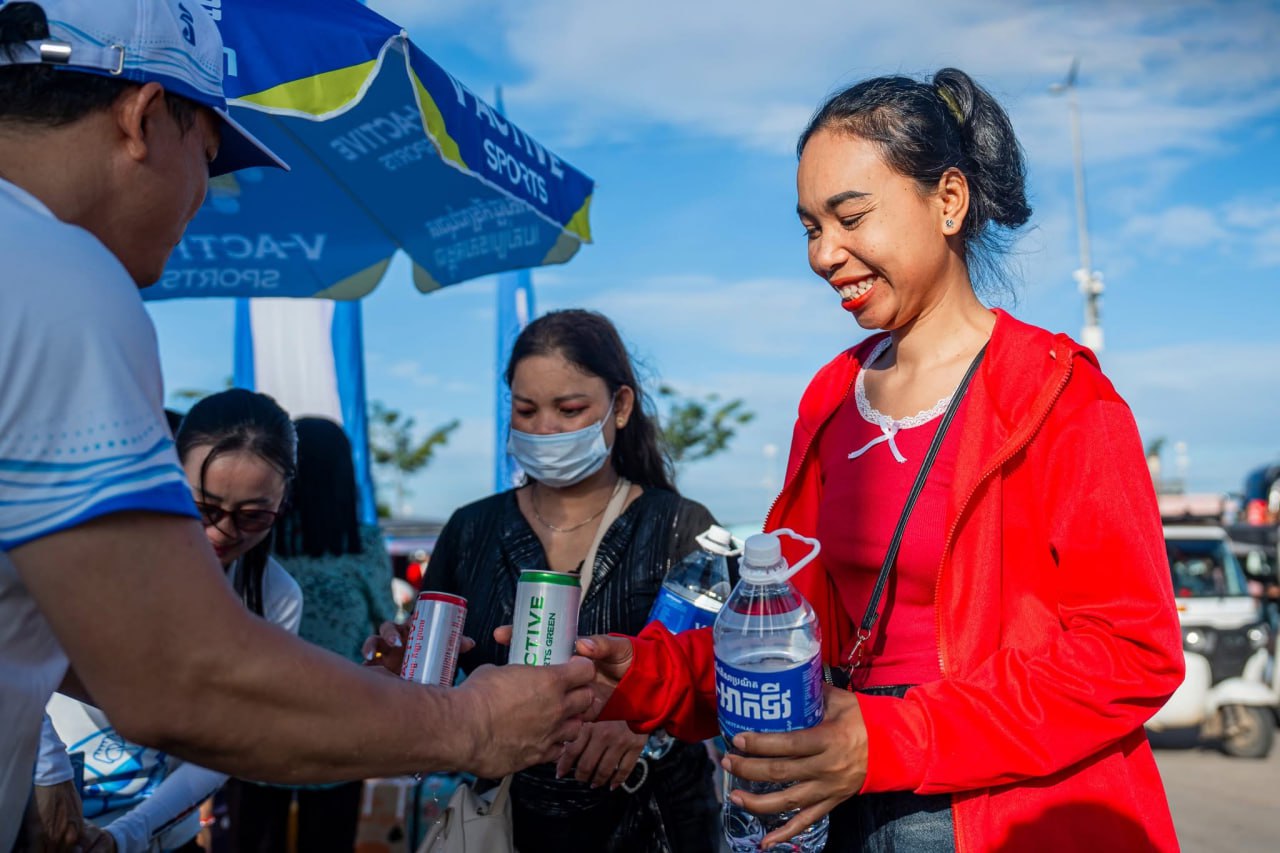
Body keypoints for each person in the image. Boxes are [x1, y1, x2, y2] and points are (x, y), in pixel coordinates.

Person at [0, 2, 592, 850]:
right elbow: (175, 676)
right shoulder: (59, 278)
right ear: (141, 118)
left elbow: (97, 656)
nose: (206, 197)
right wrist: (471, 722)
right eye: (209, 158)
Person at [575, 69, 1185, 852]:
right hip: (843, 807)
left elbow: (1131, 652)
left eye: (850, 216)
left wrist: (896, 735)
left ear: (949, 201)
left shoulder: (1063, 399)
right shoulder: (831, 399)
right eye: (808, 227)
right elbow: (788, 625)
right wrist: (644, 675)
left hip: (1008, 817)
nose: (824, 253)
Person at [425, 309, 721, 852]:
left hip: (655, 822)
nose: (545, 429)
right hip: (507, 822)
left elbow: (726, 675)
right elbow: (432, 671)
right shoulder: (471, 530)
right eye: (525, 409)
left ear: (621, 407)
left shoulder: (684, 529)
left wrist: (644, 726)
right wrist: (398, 664)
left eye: (569, 409)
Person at [37, 389, 305, 852]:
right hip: (36, 819)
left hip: (158, 835)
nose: (223, 532)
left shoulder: (274, 597)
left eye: (254, 516)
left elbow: (229, 744)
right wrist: (48, 773)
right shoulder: (89, 553)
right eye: (204, 509)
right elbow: (12, 659)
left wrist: (130, 833)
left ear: (282, 503)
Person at [224, 417, 397, 852]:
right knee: (329, 841)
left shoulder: (259, 538)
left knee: (253, 841)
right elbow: (385, 620)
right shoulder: (362, 544)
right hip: (339, 724)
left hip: (258, 725)